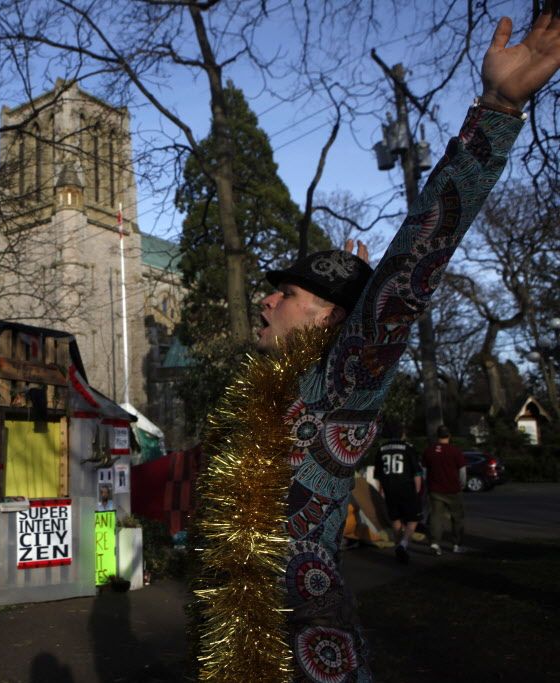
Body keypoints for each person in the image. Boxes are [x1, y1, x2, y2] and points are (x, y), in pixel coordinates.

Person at [194, 10, 560, 682]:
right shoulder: (264, 400)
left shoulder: (343, 384)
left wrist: (500, 106)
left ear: (335, 319)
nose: (265, 299)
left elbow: (417, 260)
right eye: (272, 290)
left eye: (288, 292)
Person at [373, 424, 423, 564]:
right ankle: (403, 544)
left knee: (396, 518)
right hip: (406, 487)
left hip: (389, 488)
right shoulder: (408, 447)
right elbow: (417, 472)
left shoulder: (381, 449)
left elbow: (378, 475)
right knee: (413, 518)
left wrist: (381, 490)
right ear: (402, 434)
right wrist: (417, 489)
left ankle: (398, 543)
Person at [423, 425, 468, 556]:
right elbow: (462, 471)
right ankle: (456, 544)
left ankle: (435, 543)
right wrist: (462, 485)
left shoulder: (429, 451)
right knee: (457, 517)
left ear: (437, 436)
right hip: (453, 489)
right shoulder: (455, 451)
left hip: (435, 489)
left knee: (436, 517)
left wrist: (428, 485)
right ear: (449, 436)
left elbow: (425, 471)